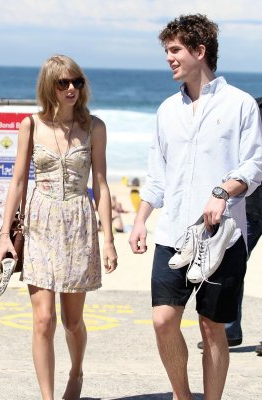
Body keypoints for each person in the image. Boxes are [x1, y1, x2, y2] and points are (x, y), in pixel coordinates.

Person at [129, 14, 262, 400]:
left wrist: (221, 192)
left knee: (211, 326)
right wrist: (141, 219)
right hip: (172, 235)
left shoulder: (240, 104)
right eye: (166, 51)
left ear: (199, 51)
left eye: (175, 50)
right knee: (163, 320)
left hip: (222, 238)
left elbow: (254, 166)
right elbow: (157, 176)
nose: (169, 58)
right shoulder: (166, 110)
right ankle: (183, 396)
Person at [0, 55, 118, 400]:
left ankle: (76, 372)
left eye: (76, 82)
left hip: (78, 223)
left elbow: (102, 184)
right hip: (39, 224)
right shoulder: (30, 125)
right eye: (62, 83)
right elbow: (17, 182)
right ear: (49, 86)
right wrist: (5, 236)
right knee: (43, 320)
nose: (71, 89)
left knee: (72, 321)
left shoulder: (95, 127)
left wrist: (108, 239)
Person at [197, 98, 262, 351]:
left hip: (250, 204)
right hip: (250, 205)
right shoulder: (251, 109)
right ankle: (228, 329)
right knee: (231, 266)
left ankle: (228, 329)